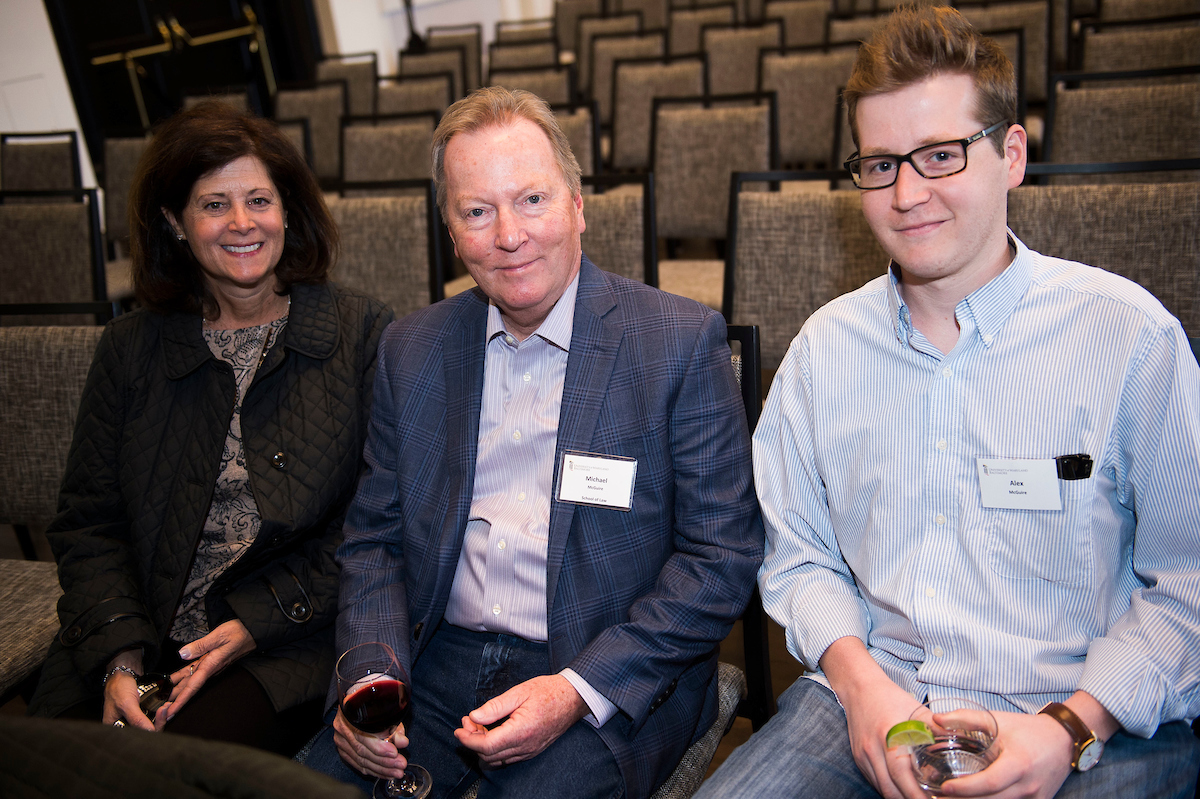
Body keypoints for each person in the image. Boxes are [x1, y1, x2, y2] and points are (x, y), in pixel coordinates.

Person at [698, 7, 1200, 799]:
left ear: (1012, 155)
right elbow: (799, 555)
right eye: (881, 164)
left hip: (1087, 715)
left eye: (940, 155)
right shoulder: (823, 353)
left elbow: (1189, 583)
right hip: (874, 694)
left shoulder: (1132, 339)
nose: (907, 193)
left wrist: (1069, 727)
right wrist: (862, 688)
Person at [303, 87, 763, 799]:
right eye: (477, 212)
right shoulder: (411, 350)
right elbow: (374, 541)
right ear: (451, 232)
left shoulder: (676, 343)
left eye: (532, 200)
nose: (509, 235)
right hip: (438, 659)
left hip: (604, 664)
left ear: (578, 205)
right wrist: (370, 676)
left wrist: (578, 688)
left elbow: (720, 558)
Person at [28, 101, 395, 756]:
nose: (242, 223)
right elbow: (89, 524)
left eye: (259, 200)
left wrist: (257, 621)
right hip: (142, 628)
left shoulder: (359, 333)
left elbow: (377, 523)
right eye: (214, 204)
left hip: (283, 638)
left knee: (174, 769)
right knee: (53, 765)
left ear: (288, 209)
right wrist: (118, 653)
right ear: (174, 221)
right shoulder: (130, 349)